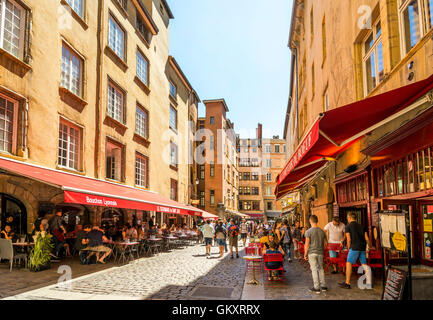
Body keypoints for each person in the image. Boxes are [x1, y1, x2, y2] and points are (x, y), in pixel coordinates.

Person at [339, 212, 372, 290]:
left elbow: (349, 239)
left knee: (349, 263)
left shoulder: (348, 226)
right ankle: (369, 283)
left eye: (347, 217)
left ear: (349, 218)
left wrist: (348, 247)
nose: (347, 219)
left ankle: (347, 283)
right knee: (364, 264)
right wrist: (370, 246)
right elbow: (367, 238)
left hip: (354, 248)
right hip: (362, 247)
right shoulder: (362, 226)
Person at [304, 215, 327, 294]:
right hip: (320, 252)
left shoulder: (308, 232)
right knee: (321, 269)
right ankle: (323, 286)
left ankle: (316, 287)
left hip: (312, 253)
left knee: (314, 269)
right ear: (317, 221)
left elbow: (306, 244)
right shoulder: (322, 231)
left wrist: (305, 254)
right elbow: (325, 244)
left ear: (310, 221)